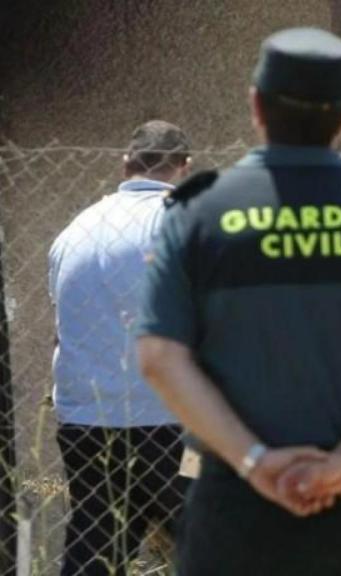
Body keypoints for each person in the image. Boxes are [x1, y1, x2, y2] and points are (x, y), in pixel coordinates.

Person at [135, 27, 341, 576]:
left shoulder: (199, 214)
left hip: (235, 514)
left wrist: (255, 462)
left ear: (256, 104)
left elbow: (159, 357)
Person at [48, 120, 193, 576]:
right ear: (184, 167)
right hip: (172, 426)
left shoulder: (75, 231)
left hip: (88, 422)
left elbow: (62, 326)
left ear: (126, 162)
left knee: (97, 543)